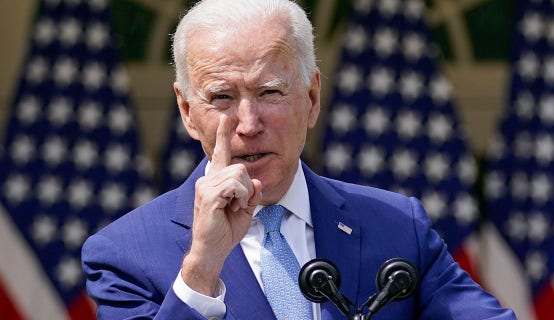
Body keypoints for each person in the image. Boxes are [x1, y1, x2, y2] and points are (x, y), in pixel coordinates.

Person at [81, 0, 516, 319]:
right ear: (187, 111)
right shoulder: (124, 254)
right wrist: (201, 269)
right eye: (222, 97)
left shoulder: (398, 225)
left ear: (311, 98)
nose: (247, 123)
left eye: (270, 92)